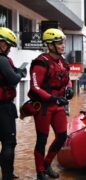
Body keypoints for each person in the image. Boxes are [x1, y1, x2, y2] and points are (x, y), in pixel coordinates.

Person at [28, 28, 73, 180]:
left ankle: (47, 163)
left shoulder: (63, 62)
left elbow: (68, 80)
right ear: (51, 45)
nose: (63, 45)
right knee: (42, 139)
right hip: (44, 106)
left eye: (63, 42)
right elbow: (35, 87)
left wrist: (69, 89)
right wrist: (53, 99)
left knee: (62, 136)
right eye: (59, 43)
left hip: (59, 105)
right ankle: (40, 171)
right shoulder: (41, 62)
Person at [0, 27, 27, 180]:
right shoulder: (2, 59)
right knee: (9, 142)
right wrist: (20, 73)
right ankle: (7, 175)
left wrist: (17, 71)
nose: (9, 49)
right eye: (7, 45)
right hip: (3, 108)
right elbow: (14, 79)